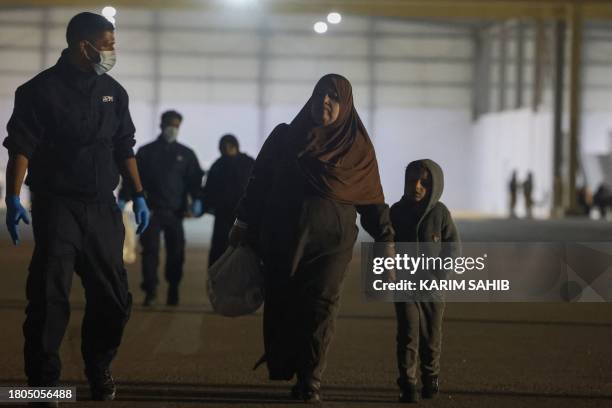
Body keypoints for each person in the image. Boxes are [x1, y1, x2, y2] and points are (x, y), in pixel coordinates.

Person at [3, 12, 149, 403]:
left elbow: (124, 146)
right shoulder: (38, 91)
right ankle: (44, 384)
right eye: (107, 43)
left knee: (115, 300)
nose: (112, 51)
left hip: (103, 209)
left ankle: (98, 365)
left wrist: (138, 193)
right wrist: (13, 196)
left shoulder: (114, 92)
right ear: (83, 46)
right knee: (49, 299)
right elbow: (21, 148)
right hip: (58, 206)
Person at [229, 74, 395, 403]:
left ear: (345, 104)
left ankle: (310, 377)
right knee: (284, 302)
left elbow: (372, 198)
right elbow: (259, 181)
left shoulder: (357, 148)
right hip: (281, 238)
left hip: (332, 245)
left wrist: (386, 239)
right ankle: (289, 363)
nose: (325, 102)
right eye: (320, 94)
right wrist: (243, 221)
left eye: (333, 97)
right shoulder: (285, 138)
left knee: (322, 305)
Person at [390, 159, 460, 403]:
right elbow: (385, 243)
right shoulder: (396, 212)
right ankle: (407, 383)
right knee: (407, 334)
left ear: (434, 186)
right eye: (412, 180)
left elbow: (452, 245)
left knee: (431, 336)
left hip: (433, 290)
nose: (417, 186)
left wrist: (439, 274)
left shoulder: (440, 213)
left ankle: (431, 377)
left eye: (424, 182)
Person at [118, 110, 204, 306]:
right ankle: (151, 290)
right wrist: (123, 198)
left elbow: (195, 182)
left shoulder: (186, 154)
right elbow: (132, 178)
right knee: (150, 252)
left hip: (175, 213)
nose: (172, 129)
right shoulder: (146, 152)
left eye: (176, 125)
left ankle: (173, 288)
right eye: (169, 124)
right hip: (150, 212)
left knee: (176, 253)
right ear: (161, 124)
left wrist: (198, 200)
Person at [200, 134, 254, 266]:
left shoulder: (247, 163)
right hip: (228, 215)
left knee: (239, 250)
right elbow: (209, 190)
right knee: (221, 249)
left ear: (231, 146)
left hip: (241, 215)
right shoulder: (221, 165)